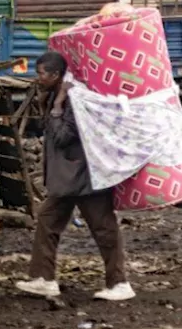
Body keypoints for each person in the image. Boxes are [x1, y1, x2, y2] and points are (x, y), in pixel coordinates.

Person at [16, 51, 134, 302]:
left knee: (104, 229)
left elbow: (63, 136)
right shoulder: (56, 94)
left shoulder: (72, 99)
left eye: (41, 74)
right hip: (68, 179)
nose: (37, 79)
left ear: (56, 74)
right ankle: (43, 279)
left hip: (84, 177)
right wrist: (46, 101)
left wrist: (58, 104)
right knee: (47, 222)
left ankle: (119, 283)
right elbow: (47, 127)